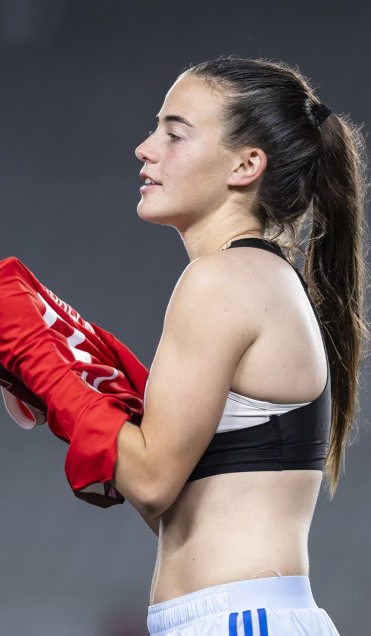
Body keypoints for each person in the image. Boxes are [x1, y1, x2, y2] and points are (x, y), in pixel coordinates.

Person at [110, 58, 365, 635]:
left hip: (239, 618)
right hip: (243, 613)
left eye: (175, 133)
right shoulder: (255, 277)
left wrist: (44, 368)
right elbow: (173, 510)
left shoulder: (223, 280)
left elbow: (150, 480)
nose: (145, 149)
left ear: (247, 165)